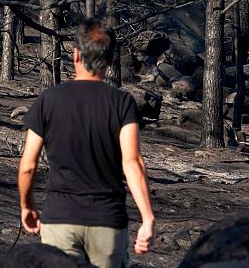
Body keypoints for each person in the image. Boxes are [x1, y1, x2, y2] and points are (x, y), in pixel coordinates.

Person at [18, 19, 155, 268]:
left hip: (59, 220)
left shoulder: (48, 100)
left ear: (76, 56)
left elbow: (28, 164)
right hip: (107, 220)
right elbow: (132, 162)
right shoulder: (122, 103)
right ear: (111, 61)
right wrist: (147, 218)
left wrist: (27, 206)